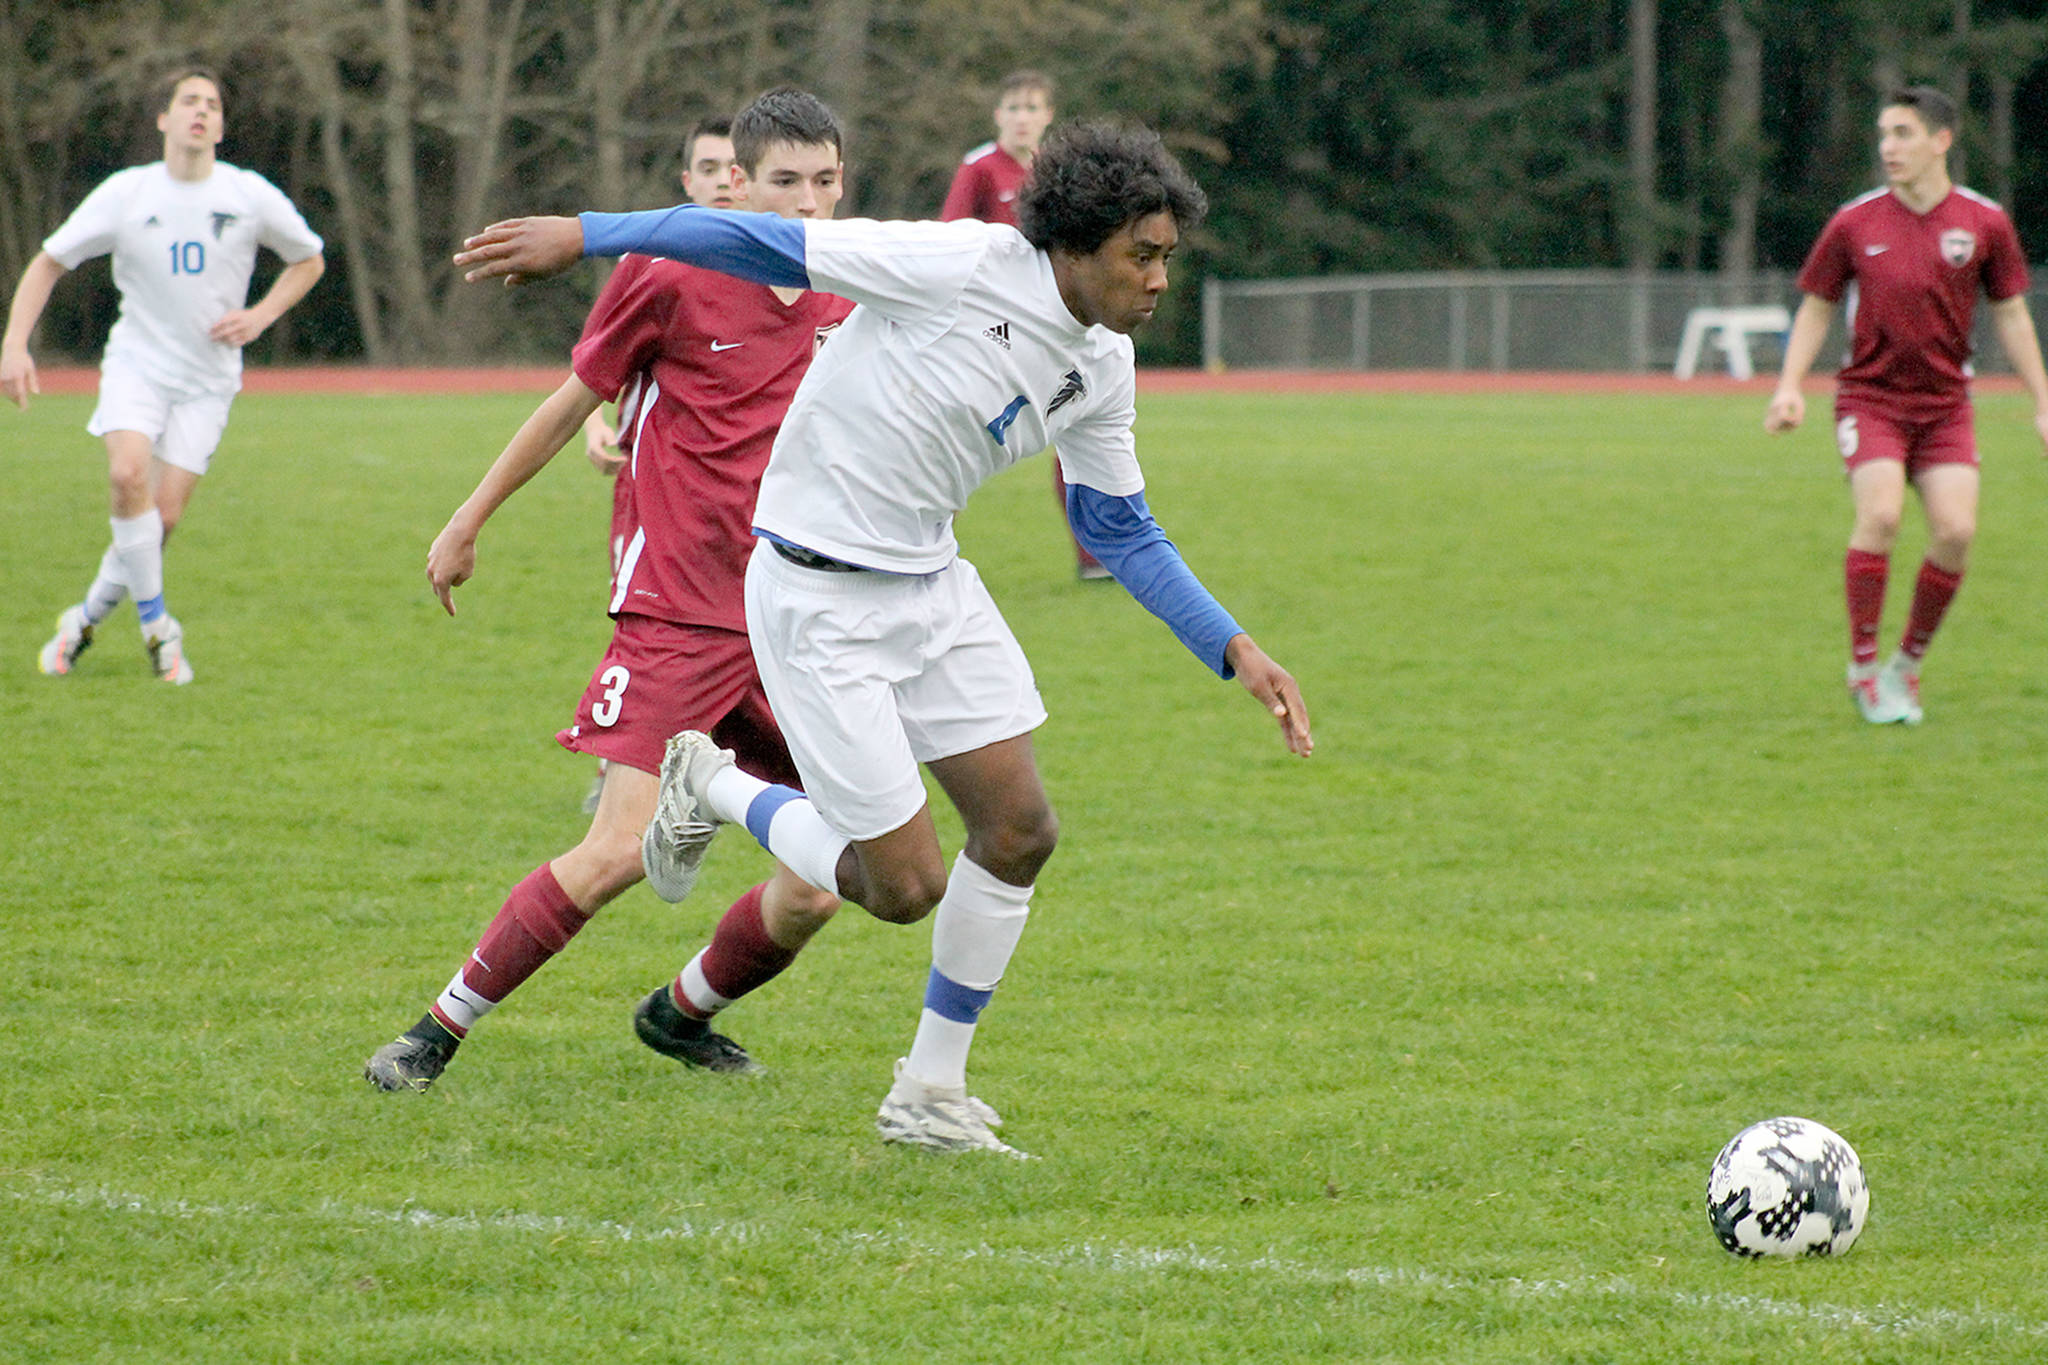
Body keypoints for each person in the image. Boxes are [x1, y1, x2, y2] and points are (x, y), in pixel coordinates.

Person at [454, 119, 1314, 1157]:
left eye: (1167, 257)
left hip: (929, 585)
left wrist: (1233, 647)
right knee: (901, 890)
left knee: (1020, 832)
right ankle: (711, 785)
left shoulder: (1104, 367)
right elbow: (758, 243)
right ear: (1075, 246)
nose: (1158, 279)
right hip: (815, 595)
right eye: (1143, 254)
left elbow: (1115, 527)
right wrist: (585, 234)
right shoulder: (957, 264)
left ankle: (927, 1092)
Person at [364, 89, 852, 1094]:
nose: (807, 204)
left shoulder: (852, 286)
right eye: (784, 183)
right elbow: (571, 402)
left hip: (796, 620)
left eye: (826, 183)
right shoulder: (668, 273)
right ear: (736, 185)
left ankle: (679, 1015)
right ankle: (434, 1031)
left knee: (818, 888)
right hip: (678, 609)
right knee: (619, 850)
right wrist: (468, 518)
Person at [4, 67, 325, 683]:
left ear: (221, 127)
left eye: (212, 103)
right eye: (188, 101)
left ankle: (84, 619)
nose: (200, 111)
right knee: (127, 475)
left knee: (162, 521)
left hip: (208, 380)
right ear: (164, 119)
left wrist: (260, 315)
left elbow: (308, 259)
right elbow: (48, 263)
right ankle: (158, 627)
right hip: (137, 365)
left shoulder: (248, 195)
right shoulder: (127, 194)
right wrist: (15, 345)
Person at [1766, 84, 2048, 725]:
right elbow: (1816, 306)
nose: (1888, 148)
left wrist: (2043, 402)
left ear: (1941, 141)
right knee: (1884, 516)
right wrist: (1788, 386)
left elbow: (2011, 316)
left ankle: (1906, 665)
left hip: (1947, 405)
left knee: (1956, 532)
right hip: (1872, 400)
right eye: (1884, 135)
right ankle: (1863, 667)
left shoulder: (1984, 223)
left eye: (1902, 134)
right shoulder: (1854, 221)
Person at [579, 116, 738, 815]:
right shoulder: (653, 266)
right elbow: (590, 369)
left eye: (733, 167)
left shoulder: (798, 271)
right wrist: (593, 427)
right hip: (654, 502)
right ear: (687, 182)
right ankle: (628, 755)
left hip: (746, 520)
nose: (722, 182)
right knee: (647, 625)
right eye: (708, 168)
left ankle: (695, 764)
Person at [939, 71, 1106, 583]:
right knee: (958, 434)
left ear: (1048, 115)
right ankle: (924, 544)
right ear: (997, 115)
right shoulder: (980, 169)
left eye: (1032, 107)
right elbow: (950, 239)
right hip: (992, 326)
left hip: (1053, 325)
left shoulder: (1059, 172)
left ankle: (1096, 555)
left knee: (1079, 430)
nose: (1021, 117)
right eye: (1013, 107)